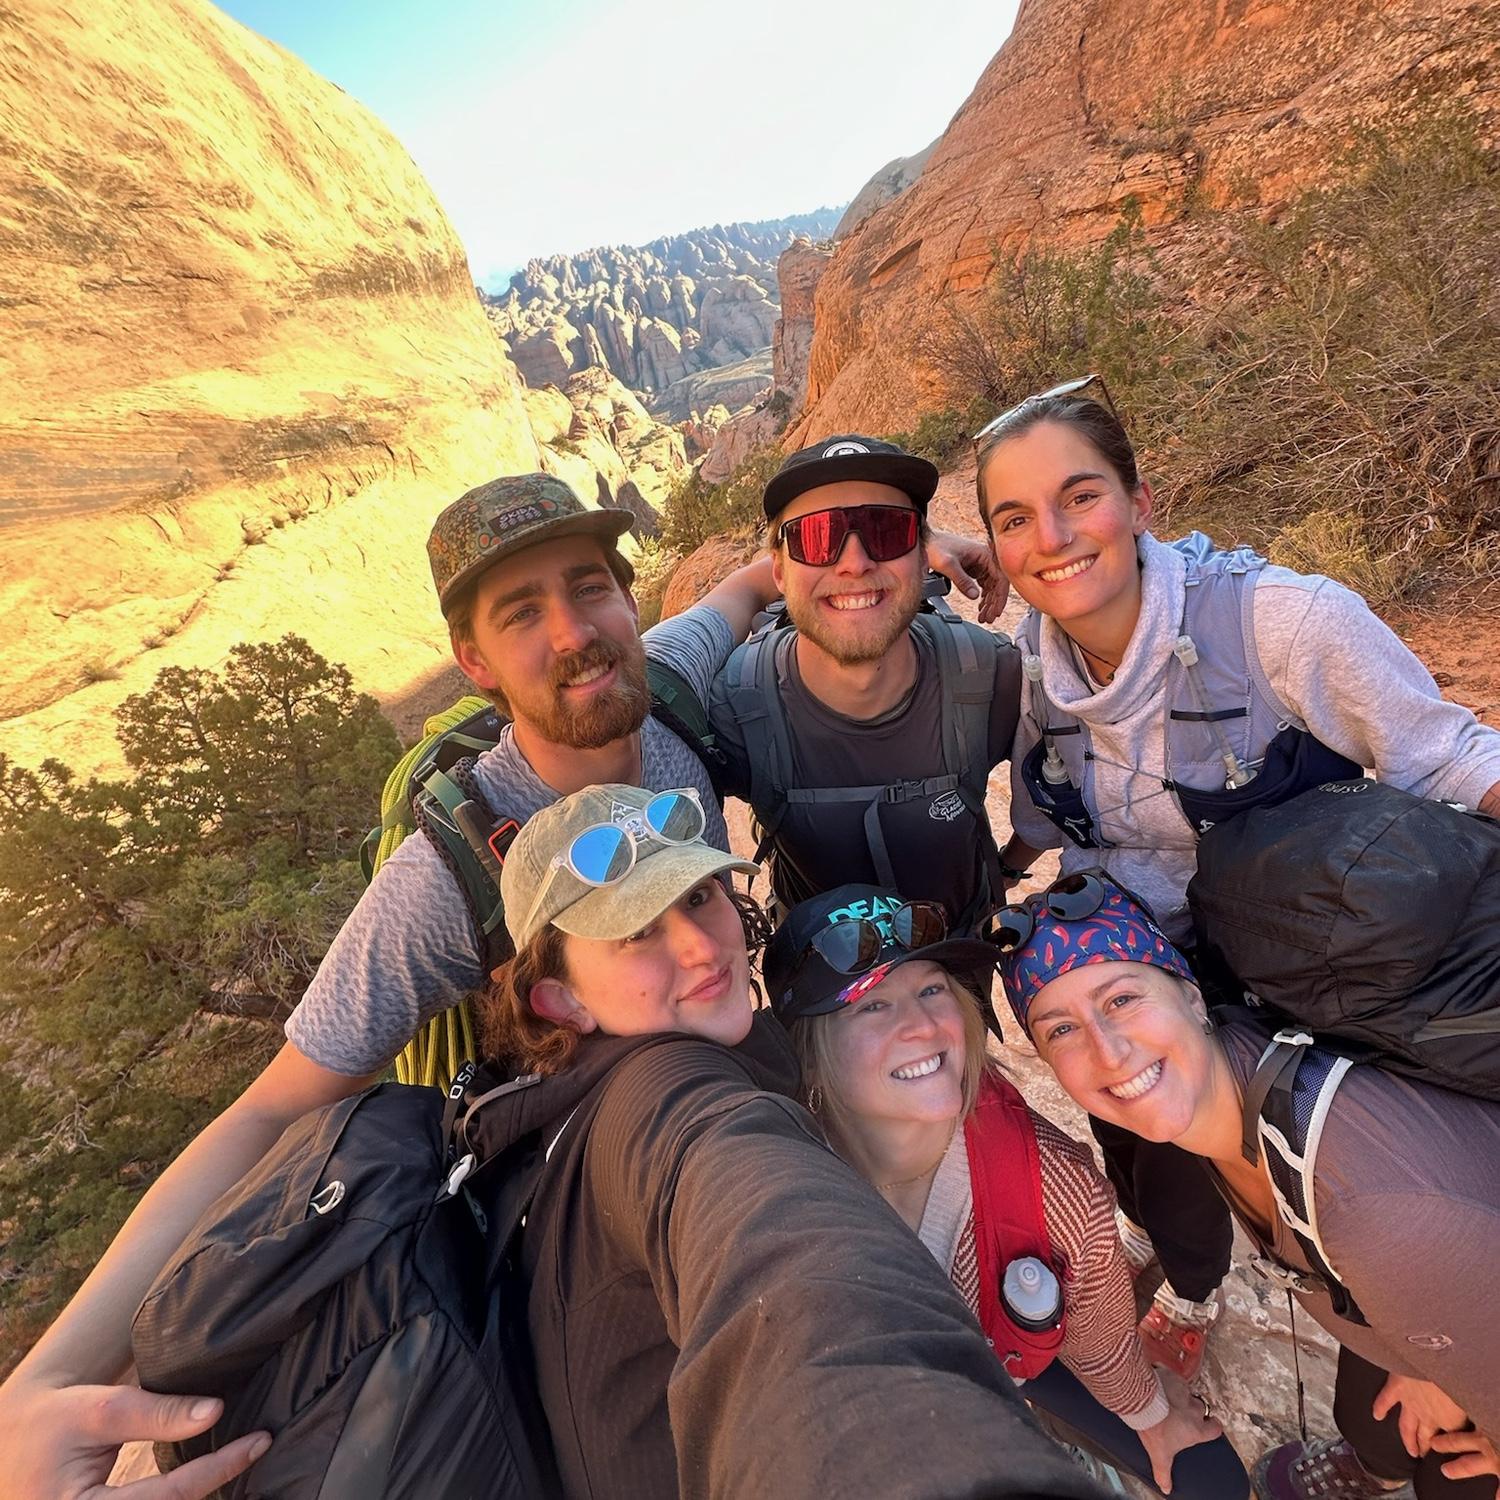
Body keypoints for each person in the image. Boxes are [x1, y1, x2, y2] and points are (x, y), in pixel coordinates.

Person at [0, 468, 999, 1498]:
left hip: (739, 1103)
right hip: (599, 1208)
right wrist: (47, 1381)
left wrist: (921, 549)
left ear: (628, 600)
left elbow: (744, 589)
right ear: (473, 661)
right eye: (524, 612)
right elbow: (269, 1115)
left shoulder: (665, 683)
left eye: (589, 587)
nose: (572, 631)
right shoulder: (452, 872)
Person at [970, 376, 1500, 1377]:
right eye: (1013, 519)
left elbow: (1455, 761)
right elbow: (1044, 824)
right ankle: (1190, 1271)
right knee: (1151, 1146)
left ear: (1140, 502)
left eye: (1080, 497)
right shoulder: (1036, 674)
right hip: (1160, 974)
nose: (1051, 537)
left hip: (1321, 975)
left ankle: (1406, 1357)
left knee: (1353, 1197)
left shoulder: (1282, 625)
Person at [466, 783, 1108, 1499]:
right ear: (562, 999)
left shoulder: (565, 1095)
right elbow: (787, 1267)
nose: (702, 946)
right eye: (637, 932)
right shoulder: (668, 1098)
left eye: (701, 896)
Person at [993, 870, 1500, 1500]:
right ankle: (1377, 1465)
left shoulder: (1373, 1211)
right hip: (1425, 1324)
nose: (1108, 1049)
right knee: (1385, 1423)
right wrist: (1421, 1360)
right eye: (1060, 1029)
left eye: (1123, 999)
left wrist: (1454, 1376)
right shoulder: (1236, 1090)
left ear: (1193, 996)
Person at [763, 882, 1250, 1499]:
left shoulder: (1060, 1190)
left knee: (1211, 1482)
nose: (922, 1026)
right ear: (810, 1049)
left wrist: (1152, 1417)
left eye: (931, 989)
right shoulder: (775, 1178)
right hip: (880, 1417)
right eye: (871, 1005)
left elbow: (1098, 1342)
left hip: (1011, 1353)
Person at [710, 434, 1020, 931]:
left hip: (961, 976)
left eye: (887, 530)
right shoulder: (734, 708)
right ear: (779, 573)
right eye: (815, 537)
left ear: (924, 557)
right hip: (820, 998)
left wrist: (1009, 868)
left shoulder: (991, 676)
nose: (854, 563)